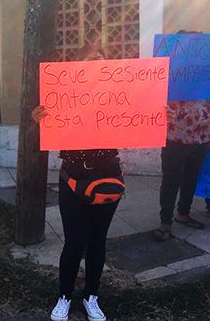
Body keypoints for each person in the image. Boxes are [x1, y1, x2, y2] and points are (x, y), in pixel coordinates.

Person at [32, 52, 124, 321]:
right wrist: (39, 119)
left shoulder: (116, 99)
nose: (95, 67)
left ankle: (91, 296)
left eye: (100, 63)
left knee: (97, 241)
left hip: (107, 177)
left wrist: (155, 113)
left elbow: (139, 118)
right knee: (74, 242)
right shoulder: (65, 98)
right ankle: (64, 295)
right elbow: (49, 129)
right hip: (72, 179)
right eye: (89, 63)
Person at [154, 96, 210, 240]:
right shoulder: (175, 76)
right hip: (175, 138)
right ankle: (165, 222)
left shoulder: (209, 77)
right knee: (171, 180)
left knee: (191, 179)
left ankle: (183, 214)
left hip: (201, 138)